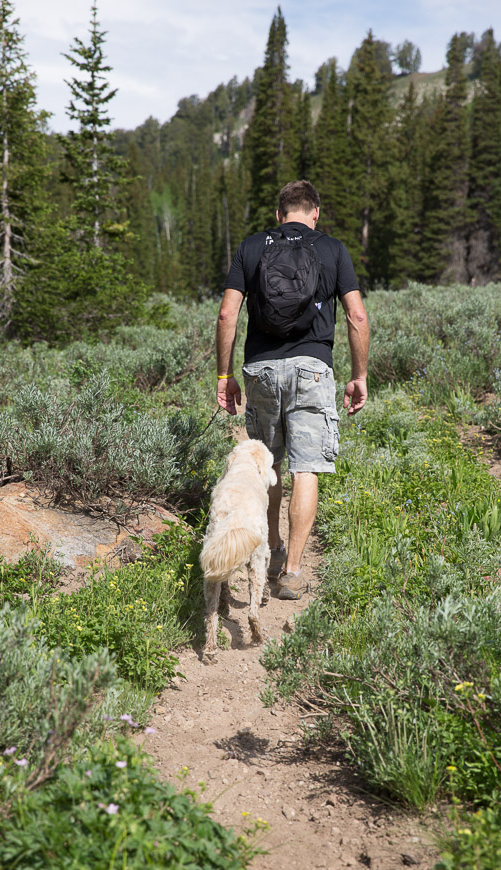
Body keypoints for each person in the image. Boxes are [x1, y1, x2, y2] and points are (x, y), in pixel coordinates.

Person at [215, 179, 369, 599]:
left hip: (260, 369)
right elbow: (356, 316)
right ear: (315, 213)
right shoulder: (333, 249)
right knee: (307, 467)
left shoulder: (251, 246)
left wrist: (224, 376)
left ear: (279, 214)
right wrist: (359, 375)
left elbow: (228, 313)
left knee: (268, 463)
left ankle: (273, 548)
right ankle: (294, 573)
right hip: (312, 368)